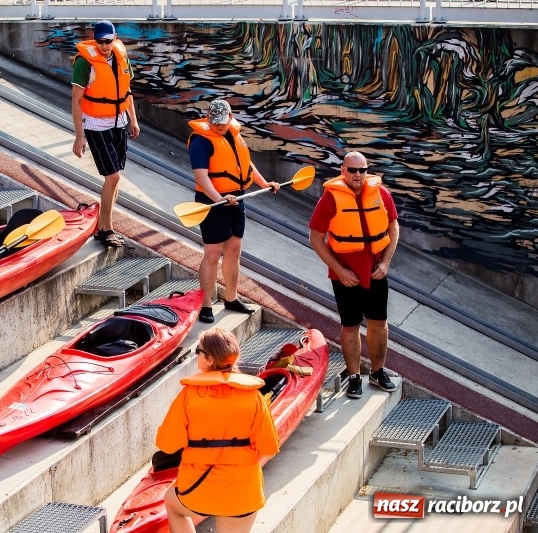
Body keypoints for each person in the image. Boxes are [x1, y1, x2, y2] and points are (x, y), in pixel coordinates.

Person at [157, 328, 279, 533]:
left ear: (210, 359)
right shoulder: (254, 396)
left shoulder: (188, 396)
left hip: (197, 489)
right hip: (242, 491)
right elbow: (269, 449)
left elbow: (167, 445)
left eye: (199, 351)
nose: (197, 355)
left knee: (171, 502)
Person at [308, 151, 399, 398]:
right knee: (350, 327)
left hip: (376, 272)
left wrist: (386, 263)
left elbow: (393, 227)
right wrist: (339, 270)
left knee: (379, 323)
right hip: (345, 276)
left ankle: (378, 372)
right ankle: (354, 377)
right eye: (352, 170)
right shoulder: (330, 199)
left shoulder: (381, 194)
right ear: (343, 170)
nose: (358, 175)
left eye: (362, 170)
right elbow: (315, 238)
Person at [188, 99, 280, 323]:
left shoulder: (234, 134)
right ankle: (205, 305)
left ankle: (231, 298)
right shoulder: (200, 141)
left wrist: (264, 183)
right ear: (208, 119)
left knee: (234, 249)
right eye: (216, 122)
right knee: (212, 254)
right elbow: (201, 177)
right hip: (212, 202)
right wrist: (219, 199)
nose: (220, 126)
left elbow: (246, 165)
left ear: (230, 118)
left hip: (237, 199)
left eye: (223, 121)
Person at [71, 19, 140, 247]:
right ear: (95, 40)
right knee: (113, 177)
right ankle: (106, 229)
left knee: (115, 176)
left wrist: (133, 119)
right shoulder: (84, 63)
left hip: (119, 121)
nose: (104, 46)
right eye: (100, 41)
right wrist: (79, 135)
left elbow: (127, 89)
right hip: (95, 124)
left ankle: (103, 225)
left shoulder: (121, 56)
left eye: (108, 41)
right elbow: (76, 101)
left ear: (114, 39)